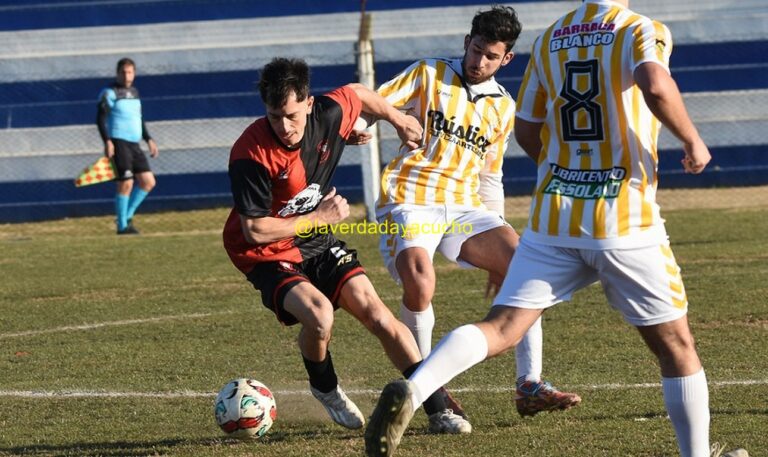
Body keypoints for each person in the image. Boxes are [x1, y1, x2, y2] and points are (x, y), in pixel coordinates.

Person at [364, 0, 749, 456]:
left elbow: (527, 130)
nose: (480, 60)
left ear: (505, 57)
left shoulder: (551, 37)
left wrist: (562, 171)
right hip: (620, 214)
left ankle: (417, 389)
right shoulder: (640, 29)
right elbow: (656, 85)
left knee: (501, 326)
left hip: (554, 215)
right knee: (676, 345)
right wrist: (693, 140)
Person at [222, 57, 470, 434]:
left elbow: (358, 93)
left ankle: (439, 411)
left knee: (377, 314)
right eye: (274, 117)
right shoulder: (250, 152)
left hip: (312, 237)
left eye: (291, 116)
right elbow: (254, 229)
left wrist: (397, 119)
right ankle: (325, 387)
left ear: (309, 104)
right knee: (319, 315)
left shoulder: (328, 114)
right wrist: (319, 217)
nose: (284, 127)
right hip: (264, 252)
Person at [362, 4, 579, 421]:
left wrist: (499, 234)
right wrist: (363, 126)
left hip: (464, 205)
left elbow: (490, 177)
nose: (479, 61)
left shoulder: (503, 106)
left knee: (524, 264)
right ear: (467, 42)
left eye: (490, 56)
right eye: (476, 50)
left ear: (506, 58)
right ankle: (430, 392)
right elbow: (375, 101)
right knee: (420, 281)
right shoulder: (429, 73)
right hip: (410, 198)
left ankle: (529, 384)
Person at [97, 57, 158, 235]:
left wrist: (148, 139)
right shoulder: (110, 93)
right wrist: (107, 141)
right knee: (126, 183)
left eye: (130, 72)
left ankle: (126, 216)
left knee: (148, 182)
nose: (126, 76)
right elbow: (100, 119)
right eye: (123, 72)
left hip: (134, 144)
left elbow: (139, 119)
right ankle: (122, 227)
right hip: (119, 142)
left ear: (134, 73)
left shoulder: (134, 92)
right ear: (117, 73)